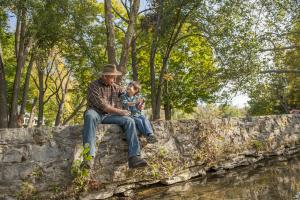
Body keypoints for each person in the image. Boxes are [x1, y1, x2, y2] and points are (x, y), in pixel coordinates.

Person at [82, 64, 148, 169]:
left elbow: (130, 95)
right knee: (89, 115)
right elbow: (102, 106)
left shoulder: (116, 88)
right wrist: (120, 111)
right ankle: (88, 158)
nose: (114, 79)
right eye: (112, 77)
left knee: (129, 121)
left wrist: (139, 103)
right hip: (96, 113)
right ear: (105, 76)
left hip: (110, 116)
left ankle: (134, 157)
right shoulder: (93, 86)